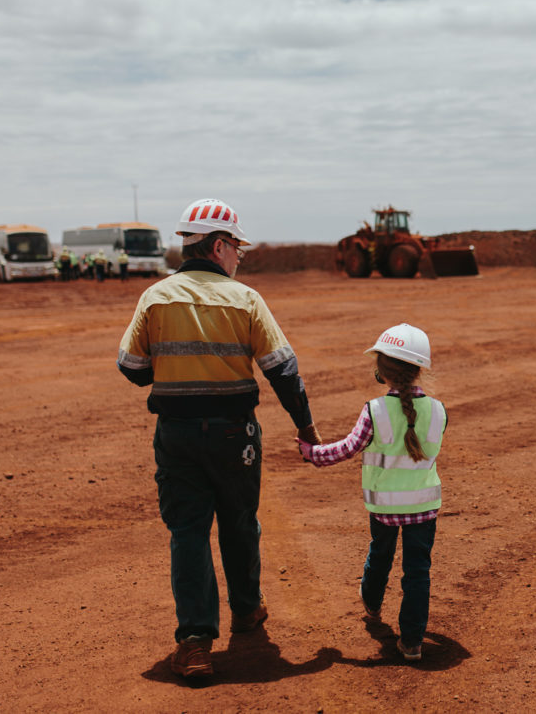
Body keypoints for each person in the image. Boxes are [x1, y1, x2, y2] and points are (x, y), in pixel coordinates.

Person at [117, 198, 322, 679]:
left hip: (177, 436)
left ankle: (194, 643)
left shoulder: (155, 297)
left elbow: (131, 367)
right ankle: (247, 610)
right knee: (239, 521)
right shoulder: (246, 299)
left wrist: (169, 371)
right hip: (236, 436)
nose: (239, 258)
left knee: (187, 532)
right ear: (218, 245)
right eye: (237, 249)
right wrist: (305, 425)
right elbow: (283, 371)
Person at [298, 324, 445, 663]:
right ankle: (412, 642)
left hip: (384, 509)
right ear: (419, 368)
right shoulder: (438, 411)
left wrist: (311, 453)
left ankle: (372, 603)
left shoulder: (375, 410)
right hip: (425, 507)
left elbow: (346, 449)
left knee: (381, 554)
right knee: (418, 572)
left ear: (381, 370)